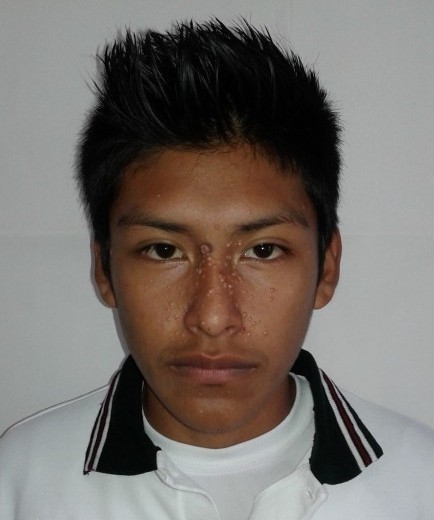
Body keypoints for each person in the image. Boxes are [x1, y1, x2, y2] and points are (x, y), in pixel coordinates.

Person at [1, 19, 433, 520]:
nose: (211, 317)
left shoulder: (420, 485)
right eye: (164, 251)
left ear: (326, 268)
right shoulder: (20, 483)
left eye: (262, 251)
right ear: (103, 268)